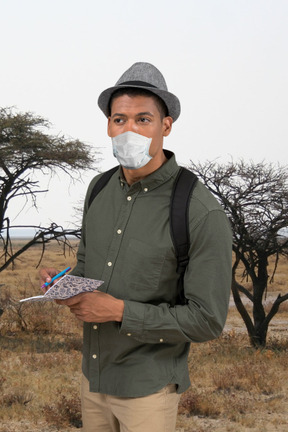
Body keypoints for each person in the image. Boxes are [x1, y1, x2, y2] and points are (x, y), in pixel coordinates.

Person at [40, 62, 232, 432]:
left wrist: (118, 311)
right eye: (119, 119)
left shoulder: (199, 210)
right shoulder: (99, 189)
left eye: (143, 119)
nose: (128, 130)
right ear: (108, 125)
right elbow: (87, 267)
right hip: (92, 378)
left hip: (148, 389)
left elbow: (207, 320)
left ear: (167, 125)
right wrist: (63, 282)